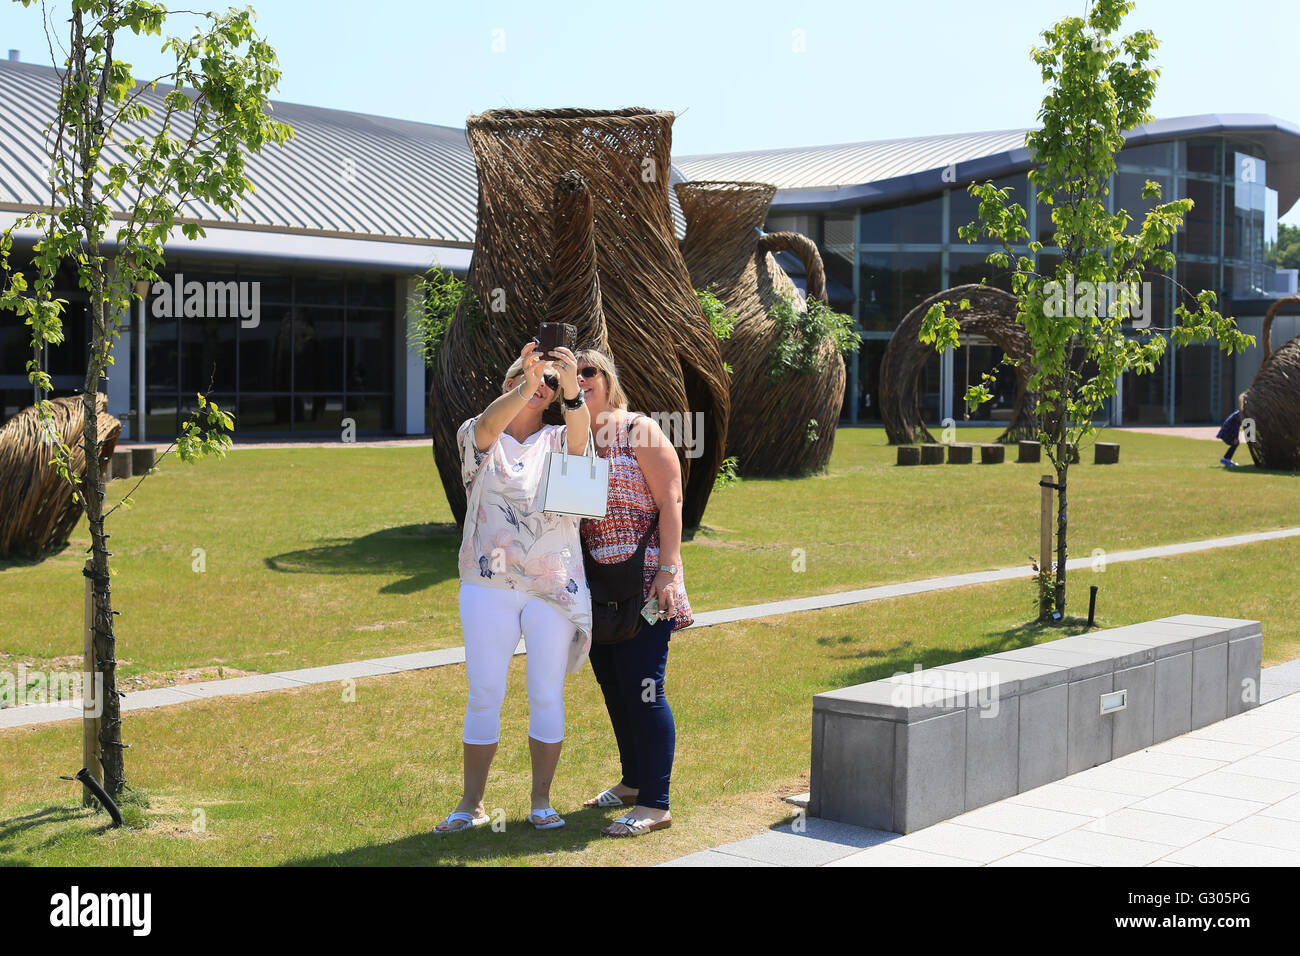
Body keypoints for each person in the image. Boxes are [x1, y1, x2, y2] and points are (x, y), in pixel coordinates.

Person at [435, 341, 592, 833]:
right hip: (488, 584)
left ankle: (541, 802)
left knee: (546, 693)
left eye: (543, 389)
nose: (535, 392)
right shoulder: (477, 436)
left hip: (552, 587)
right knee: (484, 692)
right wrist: (528, 381)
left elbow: (583, 444)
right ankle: (471, 804)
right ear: (509, 386)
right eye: (526, 383)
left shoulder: (560, 439)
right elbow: (485, 428)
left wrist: (569, 391)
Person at [575, 349, 693, 838]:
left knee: (645, 687)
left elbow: (671, 498)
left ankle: (655, 803)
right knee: (614, 684)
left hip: (646, 578)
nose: (580, 381)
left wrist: (667, 571)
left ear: (609, 378)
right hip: (598, 583)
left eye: (590, 372)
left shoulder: (637, 428)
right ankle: (631, 781)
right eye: (570, 374)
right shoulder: (570, 441)